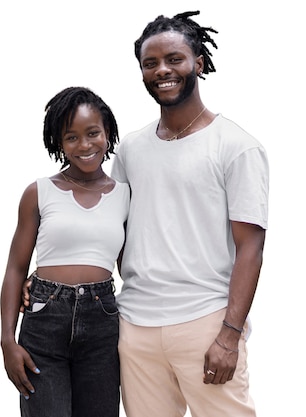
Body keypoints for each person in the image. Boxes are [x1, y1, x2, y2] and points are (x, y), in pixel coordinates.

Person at [110, 11, 269, 417]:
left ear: (198, 62)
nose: (162, 70)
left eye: (174, 59)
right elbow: (112, 229)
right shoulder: (130, 148)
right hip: (136, 326)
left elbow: (250, 246)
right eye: (151, 63)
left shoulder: (236, 146)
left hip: (205, 323)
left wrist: (229, 336)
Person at [0, 86, 130, 417]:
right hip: (44, 319)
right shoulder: (39, 192)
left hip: (102, 321)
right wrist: (7, 341)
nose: (84, 145)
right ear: (58, 141)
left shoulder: (126, 196)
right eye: (71, 137)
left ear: (108, 133)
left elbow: (137, 263)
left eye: (92, 133)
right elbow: (16, 268)